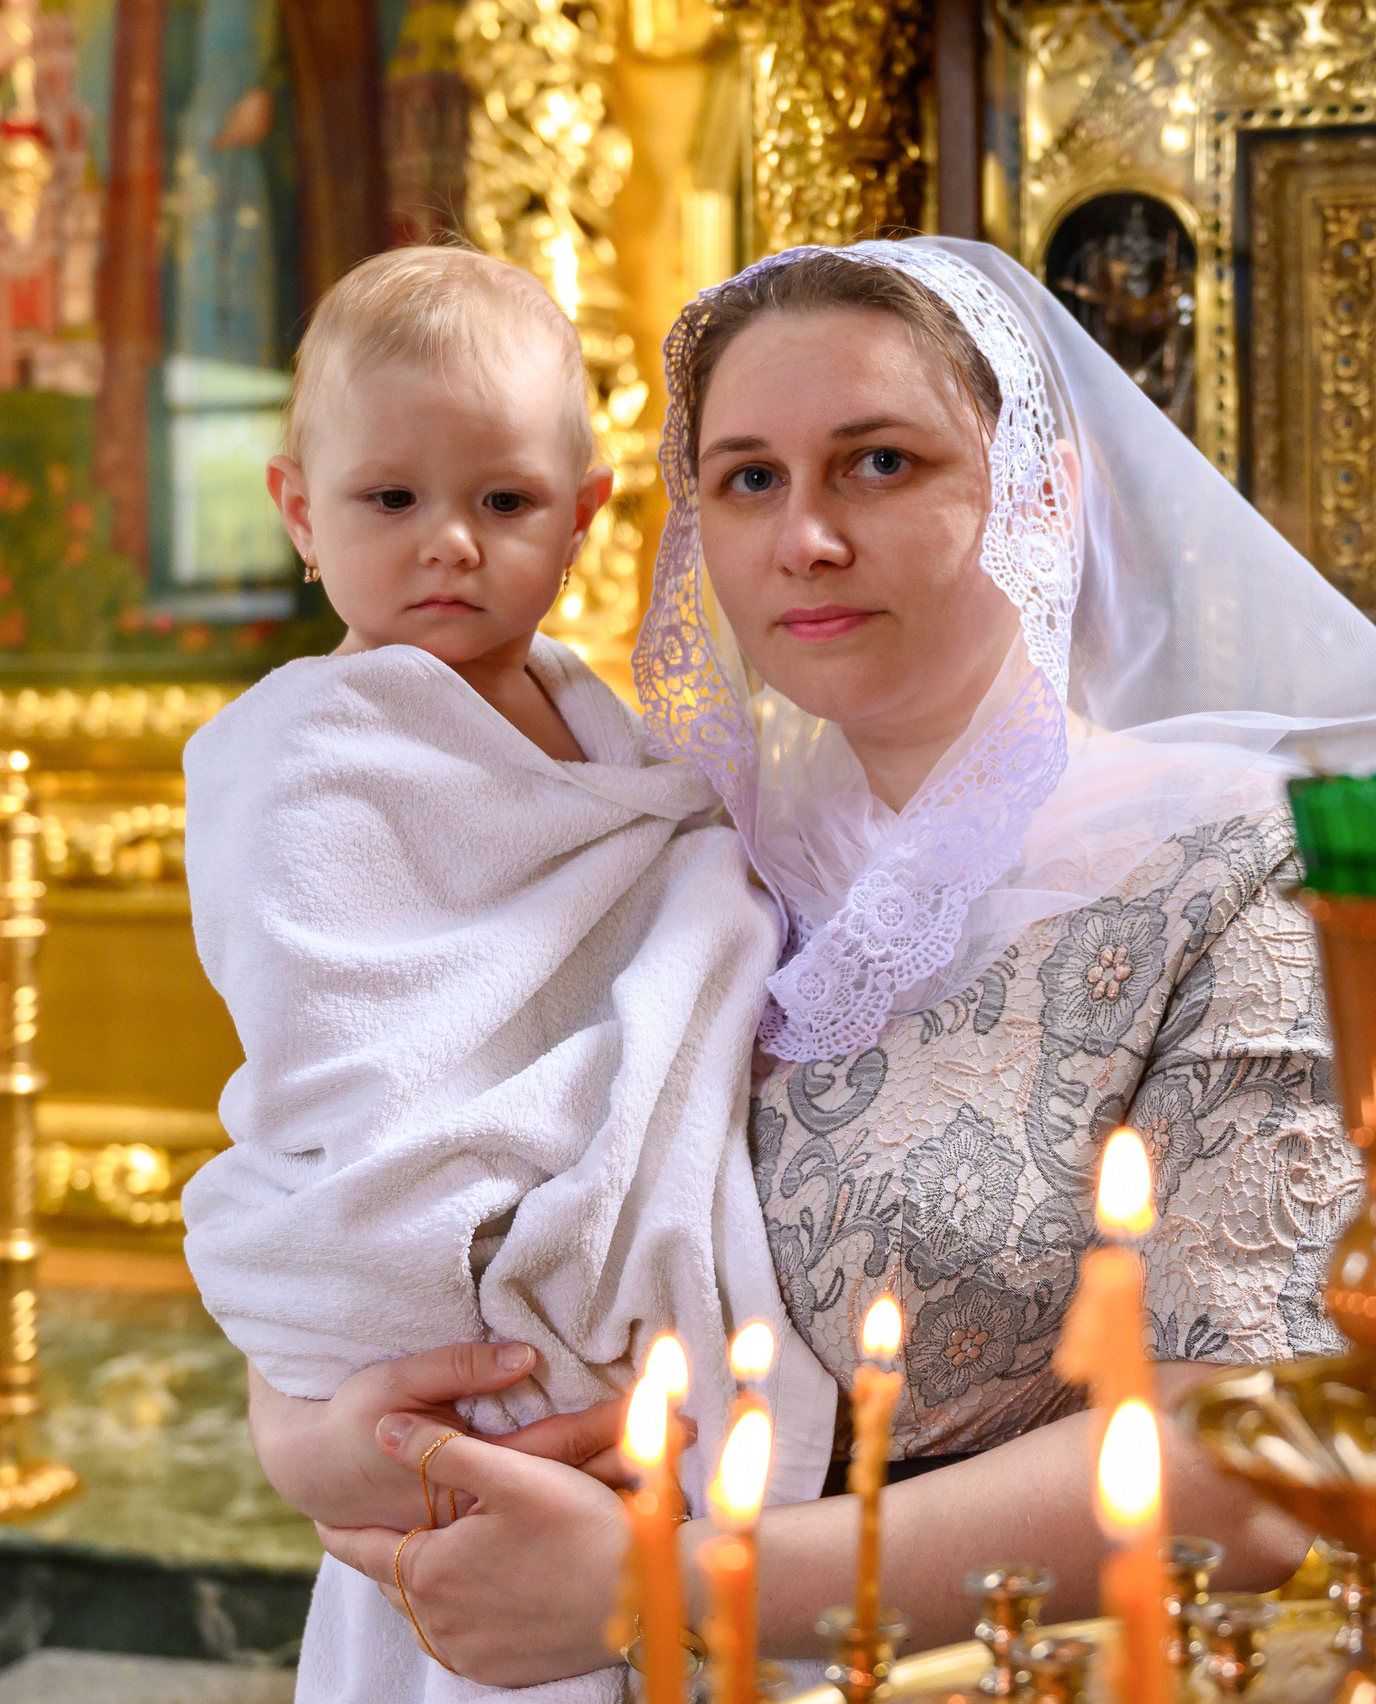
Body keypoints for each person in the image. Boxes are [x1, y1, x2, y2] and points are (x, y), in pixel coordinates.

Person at [261, 237, 1376, 1685]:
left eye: (878, 463)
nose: (803, 539)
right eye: (749, 478)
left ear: (1042, 493)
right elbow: (373, 1152)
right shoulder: (659, 827)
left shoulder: (1236, 879)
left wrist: (677, 1583)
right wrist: (318, 1430)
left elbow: (1253, 1463)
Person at [181, 245, 834, 1704]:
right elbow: (350, 1046)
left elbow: (676, 926)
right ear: (299, 507)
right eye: (391, 500)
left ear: (586, 515)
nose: (450, 544)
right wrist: (461, 1232)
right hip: (463, 1319)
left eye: (504, 502)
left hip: (621, 1339)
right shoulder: (303, 758)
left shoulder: (610, 729)